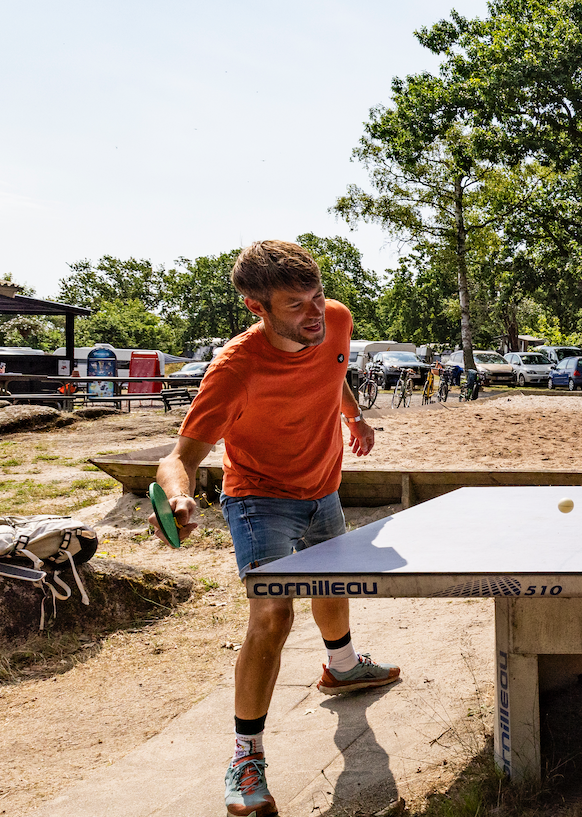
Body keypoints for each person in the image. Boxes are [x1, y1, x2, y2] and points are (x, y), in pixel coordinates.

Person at [151, 240, 400, 817]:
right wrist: (180, 498)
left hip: (323, 487)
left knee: (336, 584)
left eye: (317, 296)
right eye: (295, 305)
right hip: (259, 498)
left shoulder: (333, 320)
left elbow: (332, 363)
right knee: (273, 615)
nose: (315, 313)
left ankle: (342, 667)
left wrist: (352, 415)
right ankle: (246, 759)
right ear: (254, 306)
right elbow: (179, 457)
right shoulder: (235, 369)